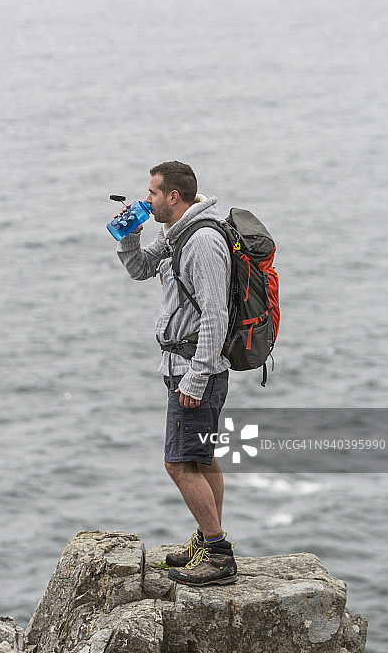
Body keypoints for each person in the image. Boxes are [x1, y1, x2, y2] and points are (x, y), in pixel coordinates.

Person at [115, 161, 237, 586]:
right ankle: (208, 540)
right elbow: (139, 268)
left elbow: (216, 315)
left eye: (152, 193)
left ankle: (218, 554)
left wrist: (196, 378)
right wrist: (129, 232)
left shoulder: (201, 241)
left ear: (173, 196)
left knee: (179, 464)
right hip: (185, 367)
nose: (146, 199)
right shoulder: (176, 234)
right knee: (202, 458)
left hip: (195, 370)